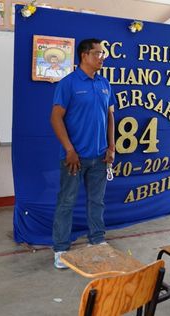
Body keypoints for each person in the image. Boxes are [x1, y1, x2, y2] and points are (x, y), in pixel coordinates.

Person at [50, 38, 116, 269]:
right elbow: (55, 117)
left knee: (96, 202)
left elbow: (109, 116)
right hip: (74, 158)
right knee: (66, 202)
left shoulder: (104, 83)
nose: (102, 58)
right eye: (98, 53)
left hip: (99, 157)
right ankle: (60, 249)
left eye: (103, 54)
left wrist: (111, 147)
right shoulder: (68, 84)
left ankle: (97, 241)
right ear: (84, 56)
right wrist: (69, 150)